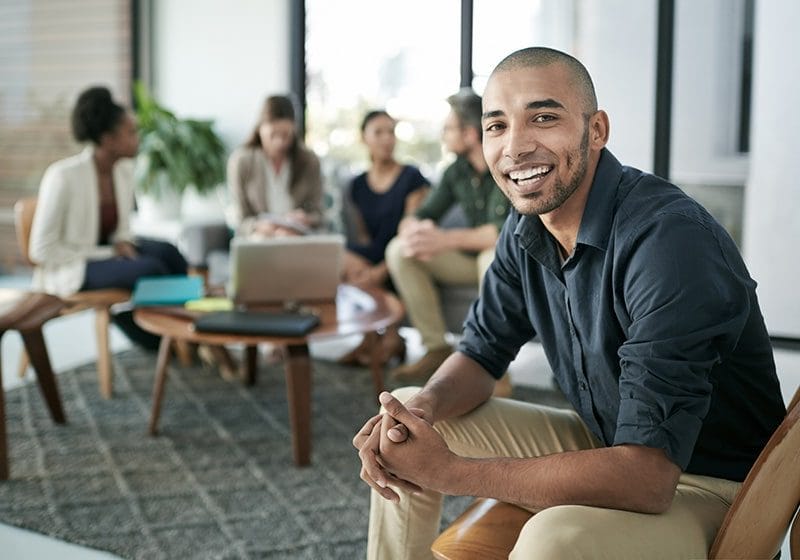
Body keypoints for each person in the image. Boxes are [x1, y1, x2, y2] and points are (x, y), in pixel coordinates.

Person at [353, 47, 786, 560]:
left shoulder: (670, 243)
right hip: (609, 441)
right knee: (406, 425)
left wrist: (452, 474)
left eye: (543, 117)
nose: (515, 147)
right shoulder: (526, 228)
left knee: (555, 539)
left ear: (596, 130)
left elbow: (647, 478)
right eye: (496, 126)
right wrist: (422, 408)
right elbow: (480, 353)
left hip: (715, 489)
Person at [29, 85, 188, 350]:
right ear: (107, 139)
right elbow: (41, 250)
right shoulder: (62, 176)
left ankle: (185, 331)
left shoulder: (123, 170)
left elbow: (121, 228)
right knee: (150, 269)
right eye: (130, 132)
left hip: (107, 250)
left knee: (170, 254)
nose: (137, 138)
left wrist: (122, 243)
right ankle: (157, 337)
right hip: (73, 266)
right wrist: (109, 252)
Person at [384, 91, 511, 386]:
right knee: (399, 250)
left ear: (468, 134)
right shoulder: (456, 171)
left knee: (492, 255)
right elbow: (426, 212)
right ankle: (436, 348)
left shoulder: (506, 164)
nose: (443, 135)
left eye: (448, 129)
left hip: (507, 260)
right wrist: (411, 228)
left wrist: (444, 239)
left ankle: (497, 367)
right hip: (468, 260)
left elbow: (501, 233)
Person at [339, 110, 430, 366]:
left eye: (391, 132)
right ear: (363, 138)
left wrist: (379, 270)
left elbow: (411, 233)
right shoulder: (356, 185)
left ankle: (388, 339)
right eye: (378, 132)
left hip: (405, 251)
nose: (387, 139)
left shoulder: (411, 177)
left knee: (385, 261)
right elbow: (366, 239)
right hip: (376, 252)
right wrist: (368, 270)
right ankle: (374, 339)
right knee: (342, 257)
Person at [226, 94, 323, 237]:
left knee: (287, 238)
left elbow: (319, 215)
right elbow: (240, 219)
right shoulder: (241, 161)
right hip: (259, 238)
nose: (279, 143)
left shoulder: (309, 161)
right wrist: (258, 226)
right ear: (260, 129)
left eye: (285, 135)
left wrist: (305, 218)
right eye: (273, 135)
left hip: (296, 237)